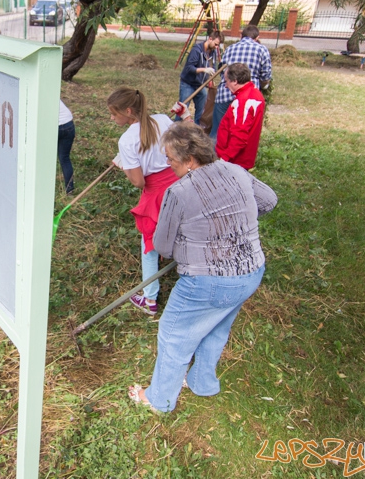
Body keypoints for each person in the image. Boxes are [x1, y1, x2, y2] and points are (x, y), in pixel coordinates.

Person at [128, 124, 277, 413]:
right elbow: (269, 200)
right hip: (251, 272)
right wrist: (235, 223)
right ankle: (202, 382)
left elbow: (163, 246)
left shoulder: (180, 191)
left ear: (191, 159)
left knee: (173, 336)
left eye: (170, 159)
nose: (168, 165)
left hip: (206, 282)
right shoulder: (235, 171)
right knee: (217, 327)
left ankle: (159, 399)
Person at [108, 87, 178, 316]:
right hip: (178, 182)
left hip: (156, 192)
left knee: (148, 244)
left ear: (128, 111)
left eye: (114, 113)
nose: (112, 118)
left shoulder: (127, 140)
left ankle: (150, 299)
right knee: (180, 229)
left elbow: (138, 181)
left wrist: (124, 167)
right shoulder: (163, 120)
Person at [211, 25, 271, 140]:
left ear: (241, 36)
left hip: (224, 95)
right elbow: (266, 75)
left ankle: (213, 157)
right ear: (257, 37)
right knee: (241, 134)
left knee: (218, 132)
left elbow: (222, 70)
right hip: (248, 99)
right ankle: (231, 157)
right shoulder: (261, 49)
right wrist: (263, 85)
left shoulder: (230, 48)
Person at [214, 63, 266, 170]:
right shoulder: (255, 93)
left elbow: (239, 137)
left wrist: (224, 158)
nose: (225, 85)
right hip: (241, 160)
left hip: (235, 162)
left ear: (235, 81)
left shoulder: (242, 102)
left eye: (227, 81)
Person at [176, 31, 222, 126]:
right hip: (188, 84)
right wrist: (204, 70)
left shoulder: (213, 52)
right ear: (210, 39)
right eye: (216, 44)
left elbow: (212, 67)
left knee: (201, 112)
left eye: (218, 45)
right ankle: (175, 130)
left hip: (201, 85)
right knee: (182, 109)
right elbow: (189, 68)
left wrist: (210, 79)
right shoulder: (196, 50)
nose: (216, 47)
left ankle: (197, 132)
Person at [57, 99, 75, 194]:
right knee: (64, 158)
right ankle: (69, 189)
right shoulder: (52, 93)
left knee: (45, 157)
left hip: (55, 126)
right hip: (68, 124)